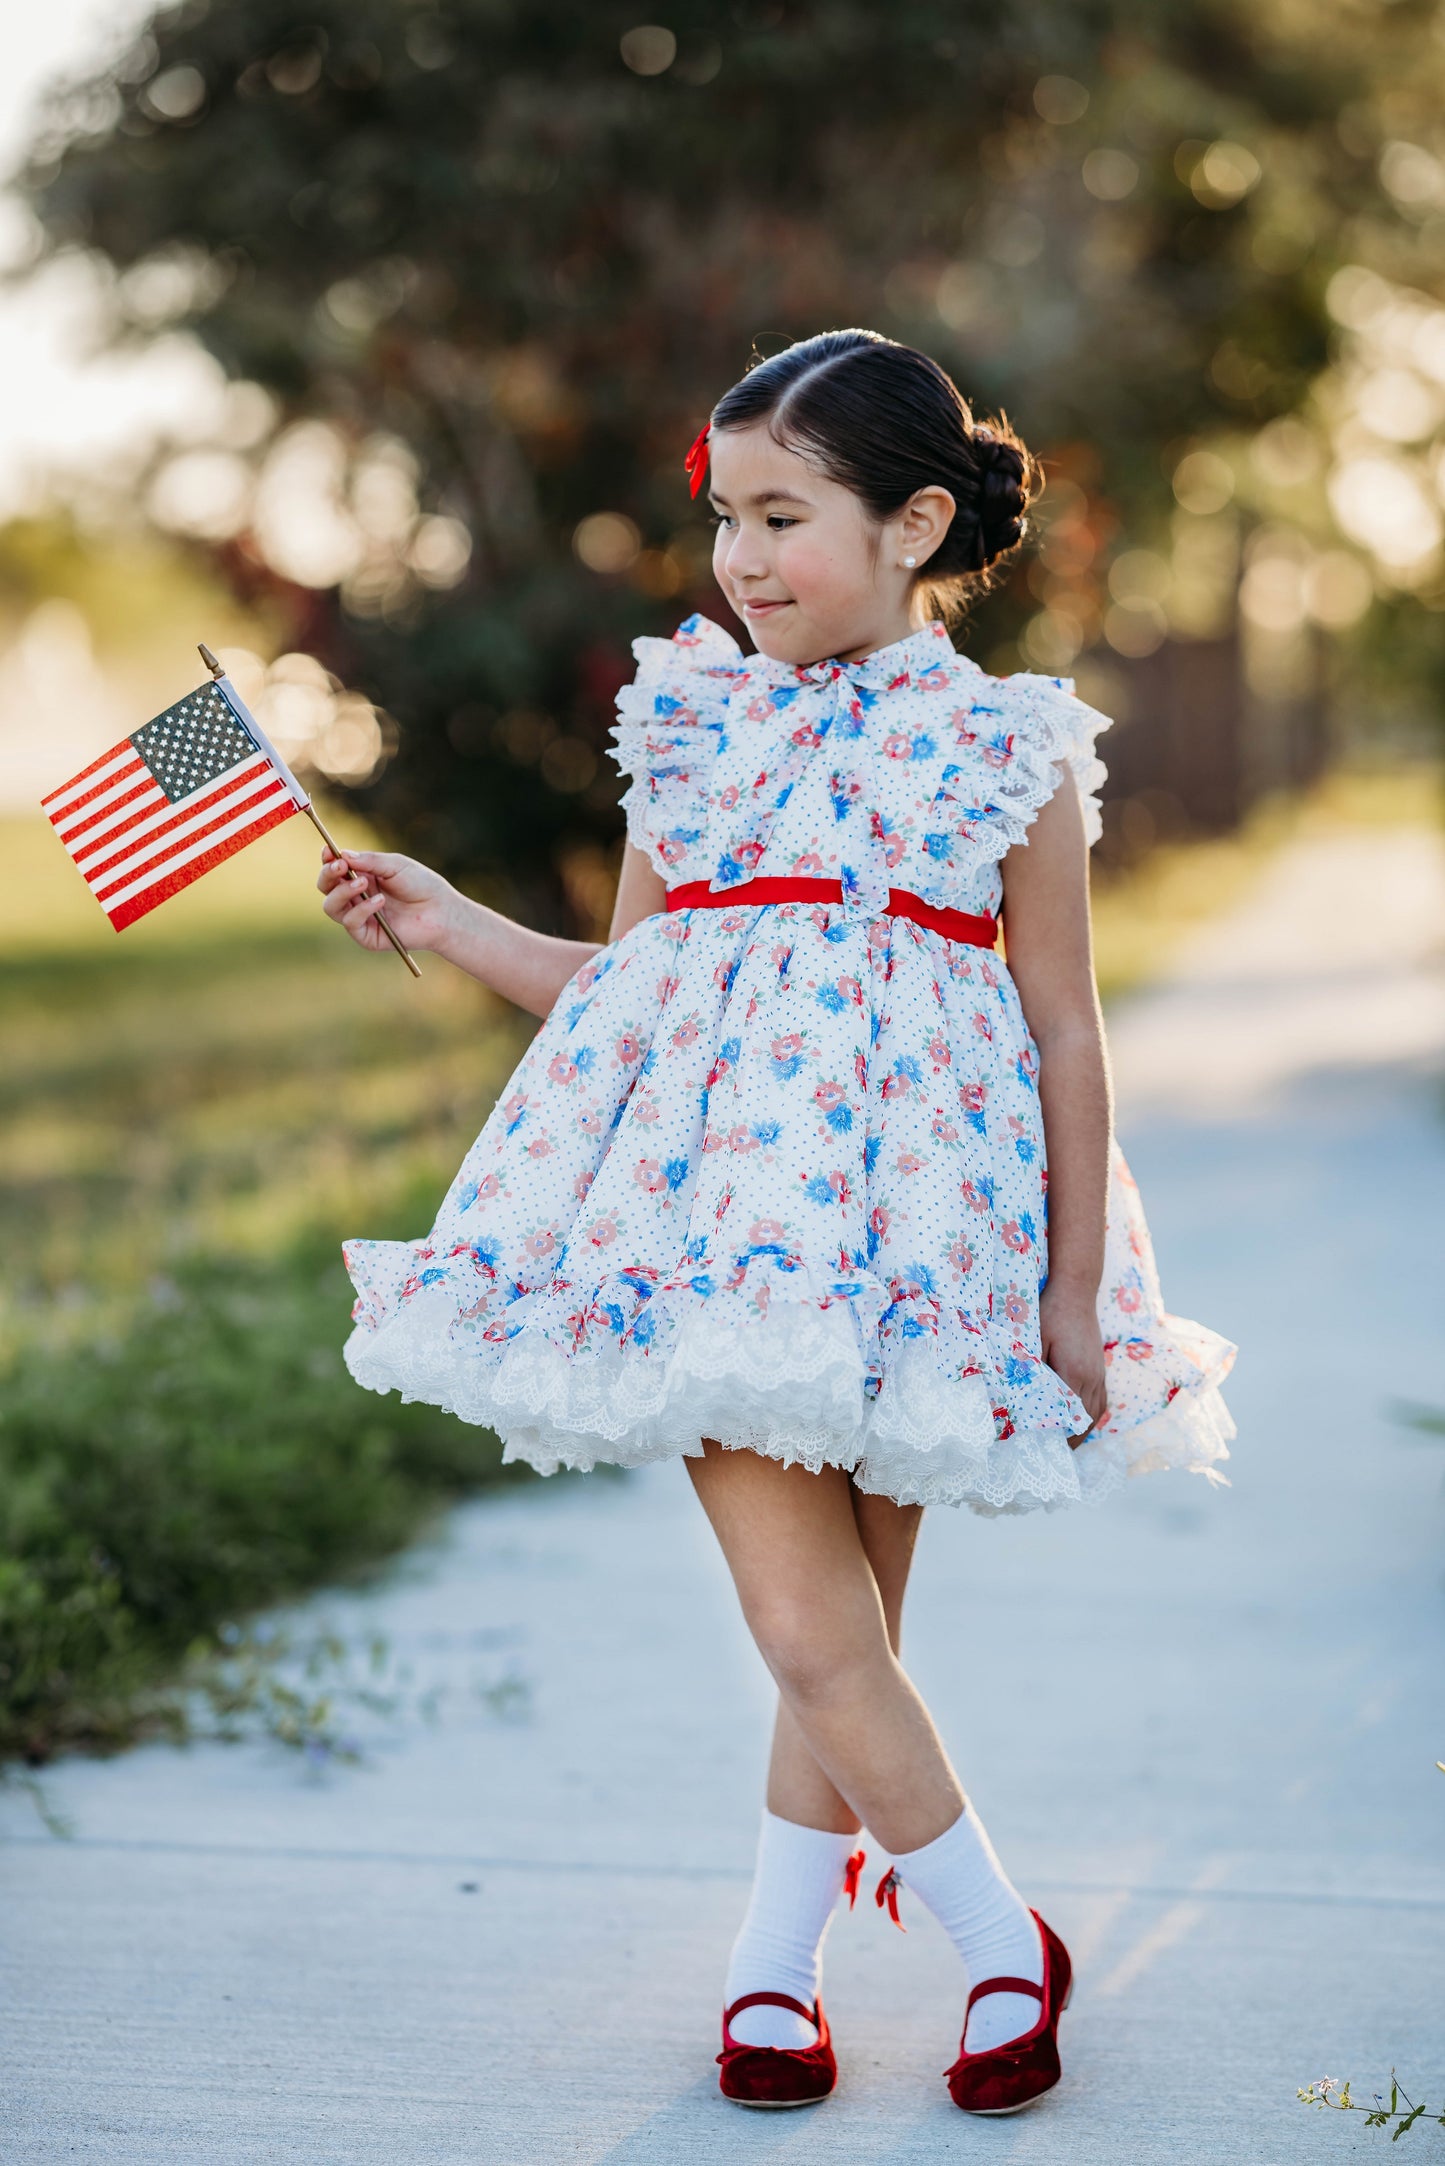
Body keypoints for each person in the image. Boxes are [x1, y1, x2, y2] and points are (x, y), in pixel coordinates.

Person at [319, 329, 1236, 2116]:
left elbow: (1062, 1019)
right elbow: (632, 993)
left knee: (852, 1646)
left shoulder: (1005, 746)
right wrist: (445, 918)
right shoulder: (689, 724)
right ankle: (997, 1940)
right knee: (810, 1632)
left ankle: (770, 1964)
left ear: (911, 523)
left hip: (927, 1243)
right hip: (723, 1248)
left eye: (781, 515)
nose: (738, 558)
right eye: (724, 515)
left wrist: (1069, 1289)